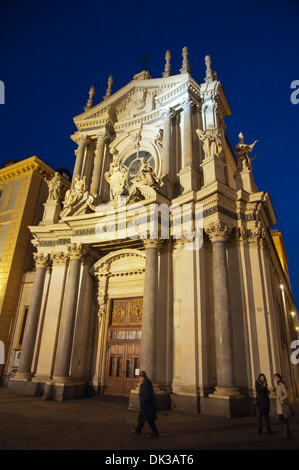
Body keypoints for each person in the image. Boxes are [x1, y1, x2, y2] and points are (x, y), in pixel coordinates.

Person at [133, 371, 159, 437]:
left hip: (147, 405)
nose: (140, 378)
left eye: (140, 377)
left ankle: (155, 433)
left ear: (142, 377)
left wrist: (143, 401)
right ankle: (137, 430)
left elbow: (147, 394)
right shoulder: (146, 382)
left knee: (149, 420)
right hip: (146, 405)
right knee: (143, 418)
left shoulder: (146, 383)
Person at [274, 373, 293, 439]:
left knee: (284, 419)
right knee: (281, 418)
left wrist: (280, 399)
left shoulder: (282, 385)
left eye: (276, 377)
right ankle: (288, 432)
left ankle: (286, 433)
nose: (275, 379)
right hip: (279, 405)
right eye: (275, 378)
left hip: (283, 404)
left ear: (279, 378)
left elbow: (286, 394)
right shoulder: (278, 385)